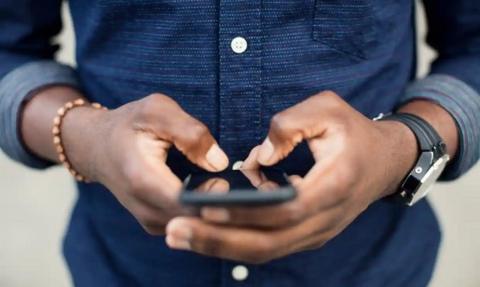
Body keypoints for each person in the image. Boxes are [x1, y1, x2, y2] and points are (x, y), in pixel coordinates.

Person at [0, 1, 479, 286]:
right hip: (121, 269)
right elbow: (9, 49)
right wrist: (87, 139)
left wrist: (401, 148)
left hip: (374, 269)